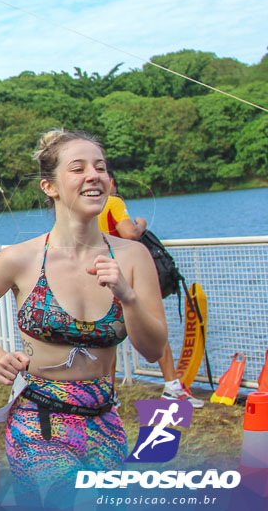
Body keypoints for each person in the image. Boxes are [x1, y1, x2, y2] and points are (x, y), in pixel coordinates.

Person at [0, 130, 167, 504]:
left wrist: (128, 298)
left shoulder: (133, 257)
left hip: (104, 421)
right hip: (40, 421)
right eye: (78, 168)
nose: (94, 175)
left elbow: (153, 349)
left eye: (100, 167)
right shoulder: (21, 258)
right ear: (49, 187)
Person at [100, 170, 202, 407]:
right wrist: (140, 224)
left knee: (109, 337)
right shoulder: (113, 202)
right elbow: (129, 234)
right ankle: (172, 387)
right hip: (127, 273)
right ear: (113, 183)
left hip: (103, 274)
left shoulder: (88, 210)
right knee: (156, 327)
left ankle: (108, 394)